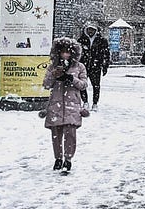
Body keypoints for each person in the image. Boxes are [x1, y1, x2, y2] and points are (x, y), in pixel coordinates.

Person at [41, 37, 89, 172]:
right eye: (62, 52)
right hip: (56, 104)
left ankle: (68, 160)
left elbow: (84, 84)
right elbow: (46, 84)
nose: (65, 55)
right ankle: (58, 158)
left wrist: (71, 79)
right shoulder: (52, 66)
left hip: (72, 104)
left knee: (70, 134)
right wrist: (54, 76)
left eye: (68, 52)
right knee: (56, 134)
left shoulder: (79, 67)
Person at [78, 24, 110, 111]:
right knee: (82, 85)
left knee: (96, 85)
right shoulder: (81, 40)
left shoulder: (102, 41)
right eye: (89, 30)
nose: (90, 32)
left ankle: (95, 103)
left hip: (96, 66)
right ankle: (85, 102)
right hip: (83, 66)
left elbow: (106, 54)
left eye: (92, 30)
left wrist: (105, 66)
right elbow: (76, 53)